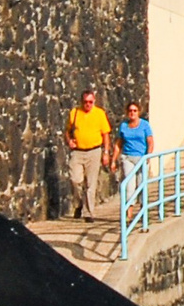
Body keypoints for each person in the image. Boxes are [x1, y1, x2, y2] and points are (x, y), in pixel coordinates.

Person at [65, 87, 111, 218]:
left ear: (94, 101)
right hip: (78, 151)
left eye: (90, 102)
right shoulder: (75, 113)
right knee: (75, 180)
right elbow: (67, 131)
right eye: (86, 102)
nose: (88, 105)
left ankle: (89, 213)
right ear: (81, 101)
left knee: (91, 183)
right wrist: (69, 141)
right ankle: (79, 203)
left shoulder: (99, 114)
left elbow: (106, 134)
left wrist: (106, 152)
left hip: (94, 151)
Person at [115, 101, 153, 184]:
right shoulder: (123, 125)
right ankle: (130, 198)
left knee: (141, 186)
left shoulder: (145, 125)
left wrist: (148, 157)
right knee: (129, 186)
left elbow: (150, 142)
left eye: (135, 110)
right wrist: (113, 160)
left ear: (138, 112)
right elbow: (118, 144)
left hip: (141, 158)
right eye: (130, 110)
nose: (132, 113)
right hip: (128, 158)